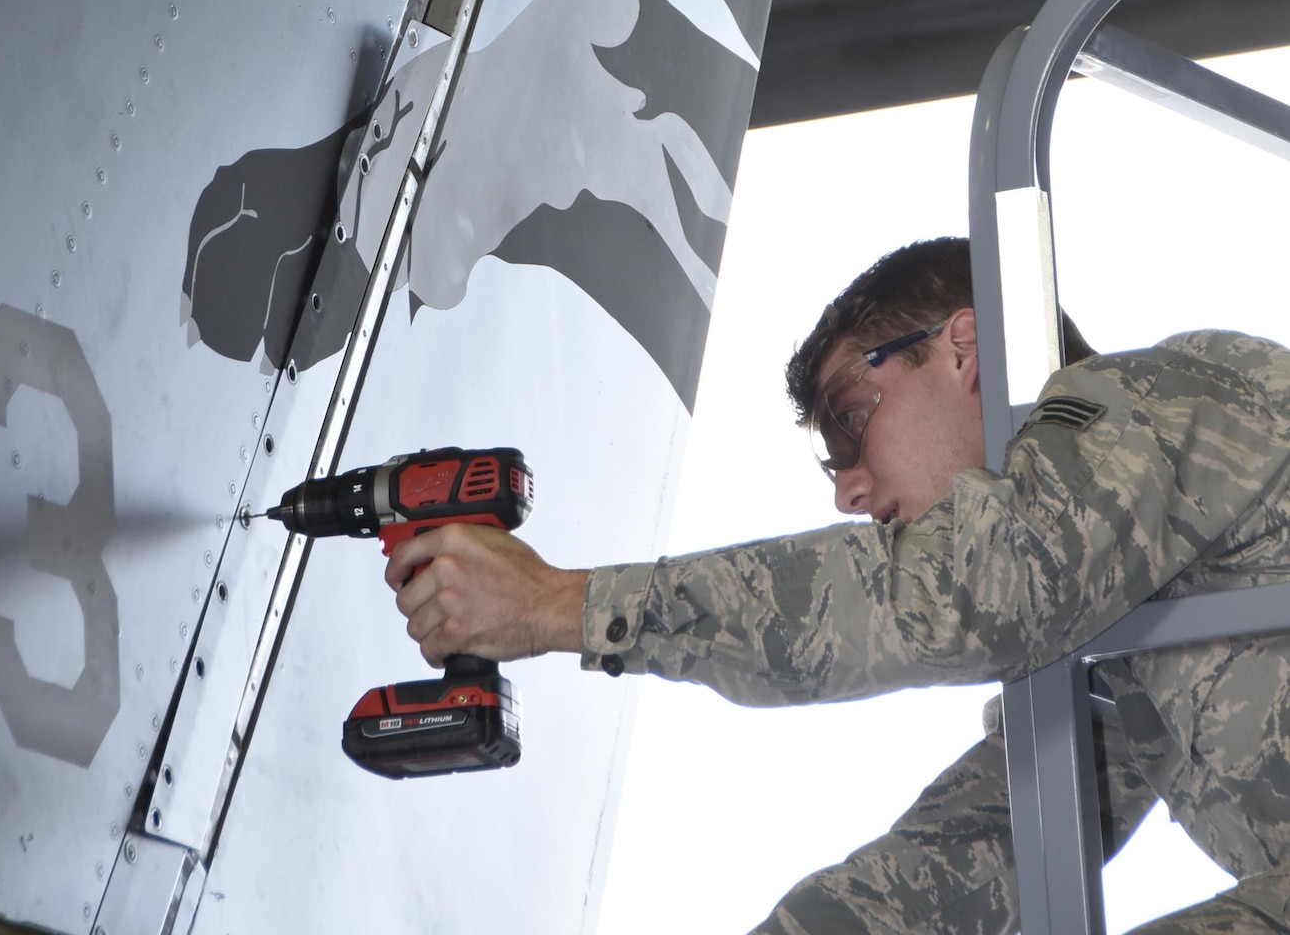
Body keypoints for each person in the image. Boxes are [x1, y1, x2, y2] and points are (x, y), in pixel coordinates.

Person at [385, 237, 1290, 933]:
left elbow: (953, 597)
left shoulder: (1158, 397)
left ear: (962, 346)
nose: (846, 486)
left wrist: (562, 603)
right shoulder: (1120, 637)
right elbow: (967, 857)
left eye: (852, 421)